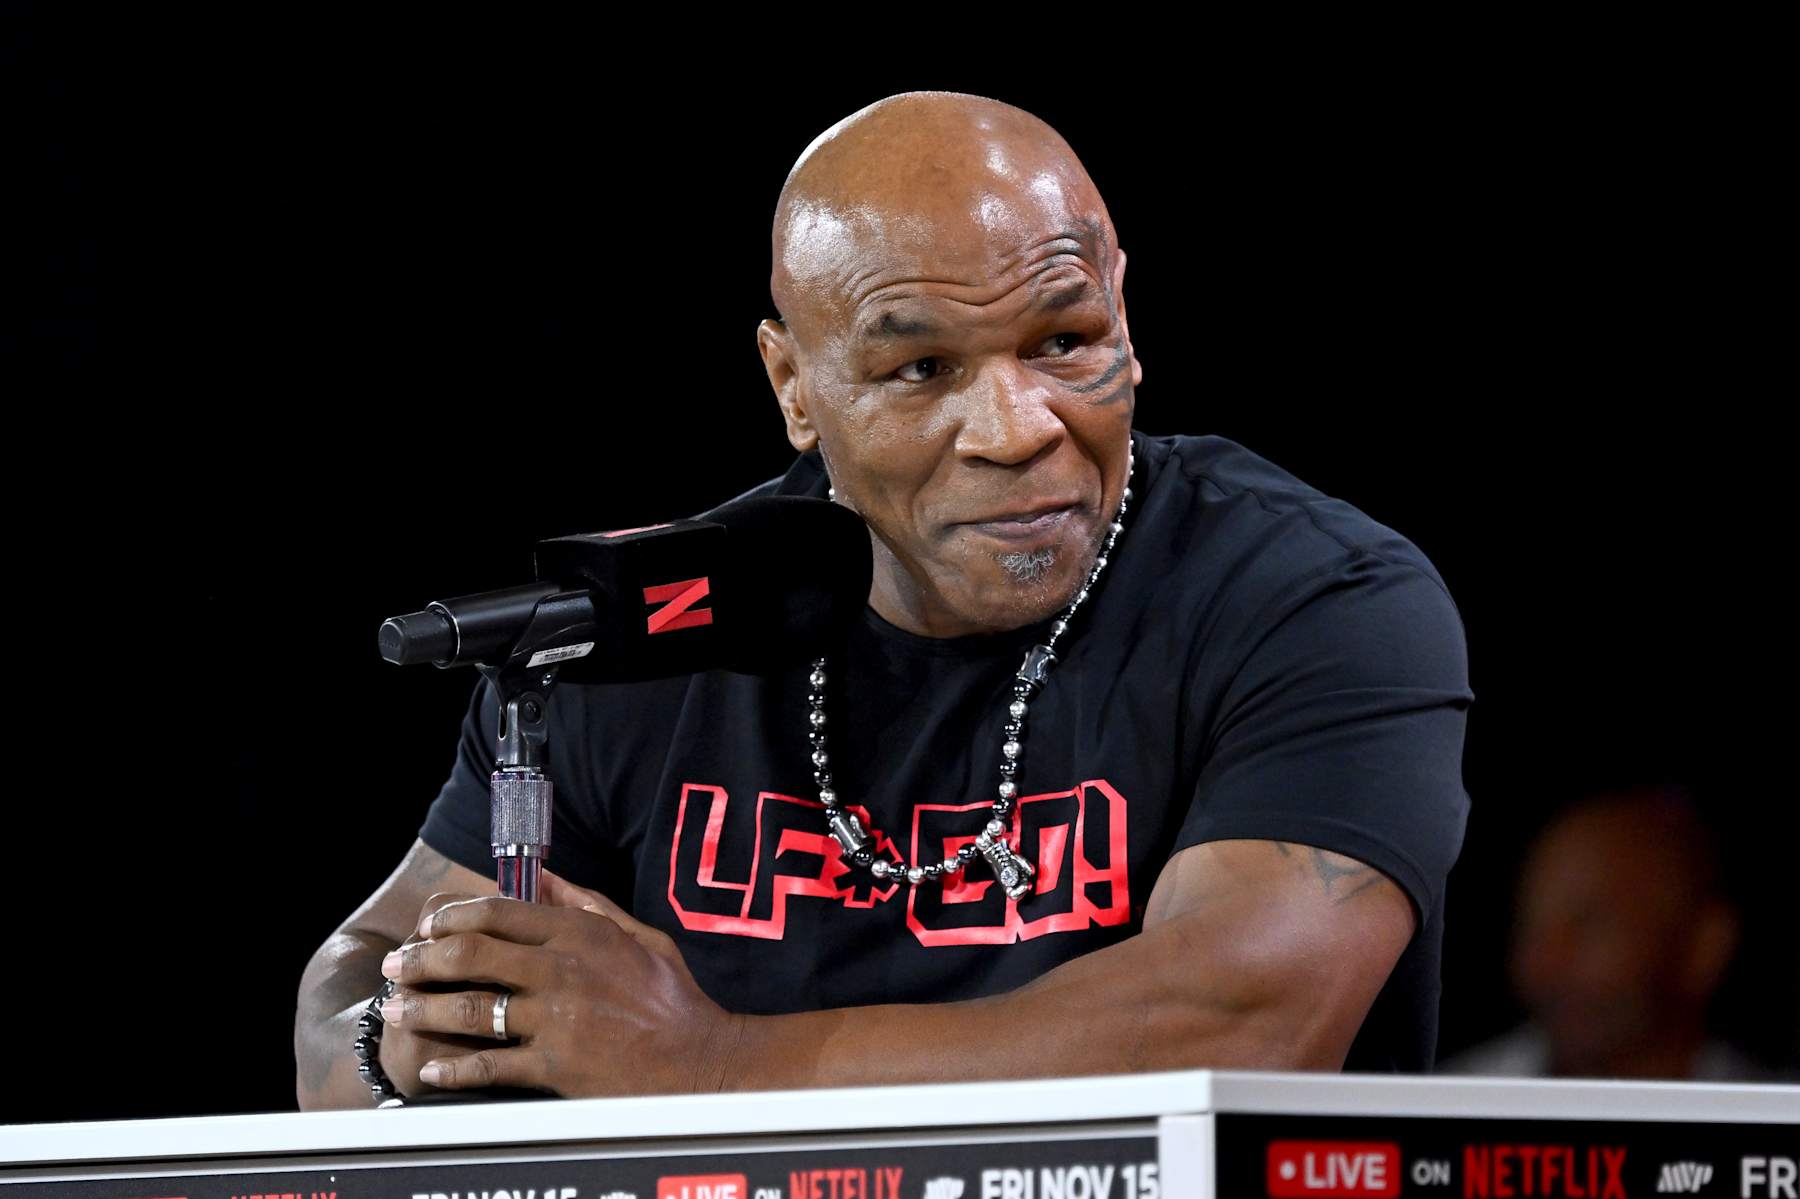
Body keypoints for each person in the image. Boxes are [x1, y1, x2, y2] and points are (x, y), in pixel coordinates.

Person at [295, 90, 1474, 1109]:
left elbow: (1236, 1027)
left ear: (1125, 305)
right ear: (793, 387)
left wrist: (707, 1066)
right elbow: (347, 987)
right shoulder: (666, 618)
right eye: (921, 369)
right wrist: (411, 1042)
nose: (1018, 430)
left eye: (1065, 339)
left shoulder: (1311, 596)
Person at [1441, 786, 1772, 1080]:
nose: (1542, 964)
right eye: (1531, 930)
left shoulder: (1774, 1121)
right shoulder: (1450, 1112)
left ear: (1706, 947)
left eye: (1589, 924)